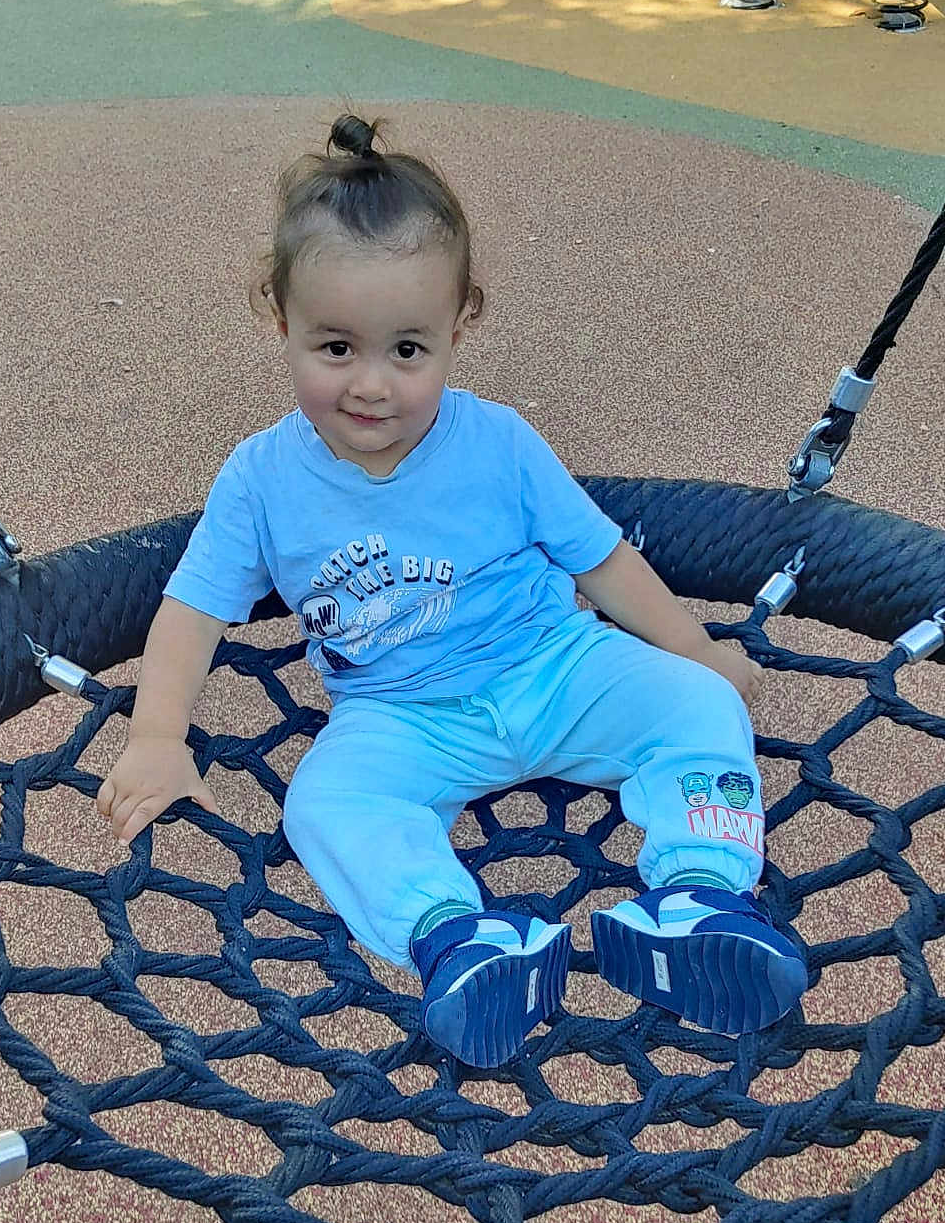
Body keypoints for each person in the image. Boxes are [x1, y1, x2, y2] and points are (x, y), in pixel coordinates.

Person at [97, 114, 808, 1068]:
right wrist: (155, 738)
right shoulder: (262, 479)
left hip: (552, 667)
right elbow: (192, 609)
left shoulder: (502, 442)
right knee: (324, 805)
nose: (372, 386)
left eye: (408, 349)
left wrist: (695, 653)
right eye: (335, 347)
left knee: (697, 707)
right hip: (399, 714)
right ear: (278, 315)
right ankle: (457, 937)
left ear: (462, 322)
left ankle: (699, 895)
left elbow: (598, 558)